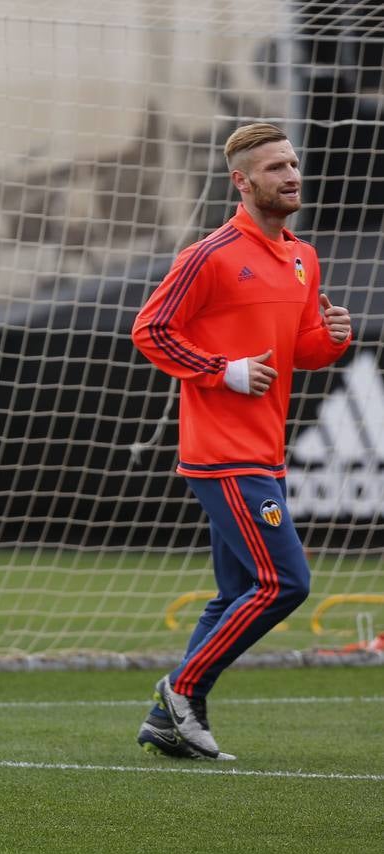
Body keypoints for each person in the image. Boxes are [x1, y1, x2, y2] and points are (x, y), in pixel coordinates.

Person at [131, 122, 352, 760]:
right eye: (275, 168)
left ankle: (168, 720)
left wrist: (332, 337)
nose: (290, 175)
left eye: (292, 163)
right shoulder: (211, 253)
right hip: (223, 451)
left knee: (234, 595)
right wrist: (220, 370)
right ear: (242, 181)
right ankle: (181, 691)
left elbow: (300, 350)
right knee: (285, 582)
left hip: (265, 450)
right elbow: (150, 329)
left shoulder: (304, 257)